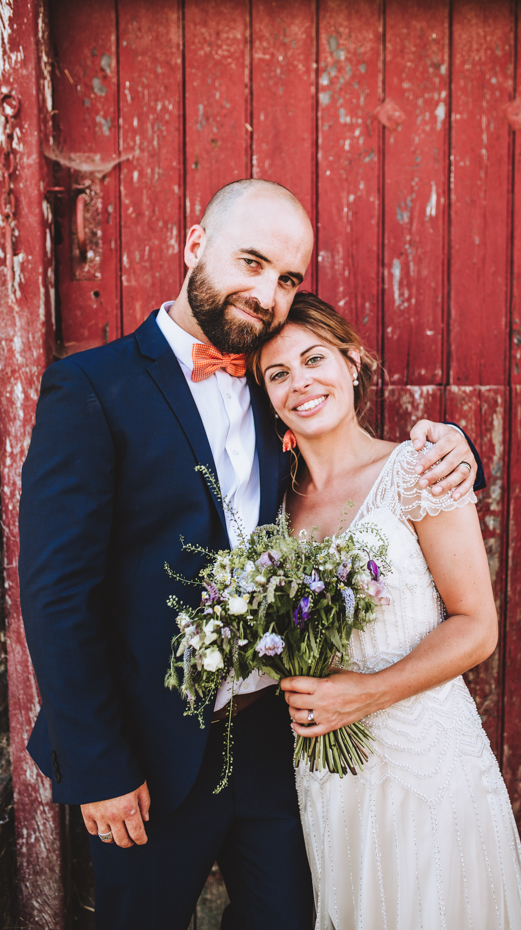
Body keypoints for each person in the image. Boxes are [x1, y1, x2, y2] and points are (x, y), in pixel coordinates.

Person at [18, 179, 484, 930]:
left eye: (289, 279)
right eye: (252, 262)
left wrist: (457, 450)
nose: (268, 293)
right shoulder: (91, 387)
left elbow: (355, 475)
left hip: (275, 743)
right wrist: (100, 767)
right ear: (195, 246)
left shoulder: (275, 385)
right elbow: (54, 594)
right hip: (145, 751)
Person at [252, 292, 521, 930]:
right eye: (278, 373)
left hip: (426, 767)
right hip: (331, 778)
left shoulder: (419, 469)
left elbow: (477, 627)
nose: (300, 382)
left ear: (352, 363)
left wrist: (366, 694)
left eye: (314, 358)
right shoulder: (270, 511)